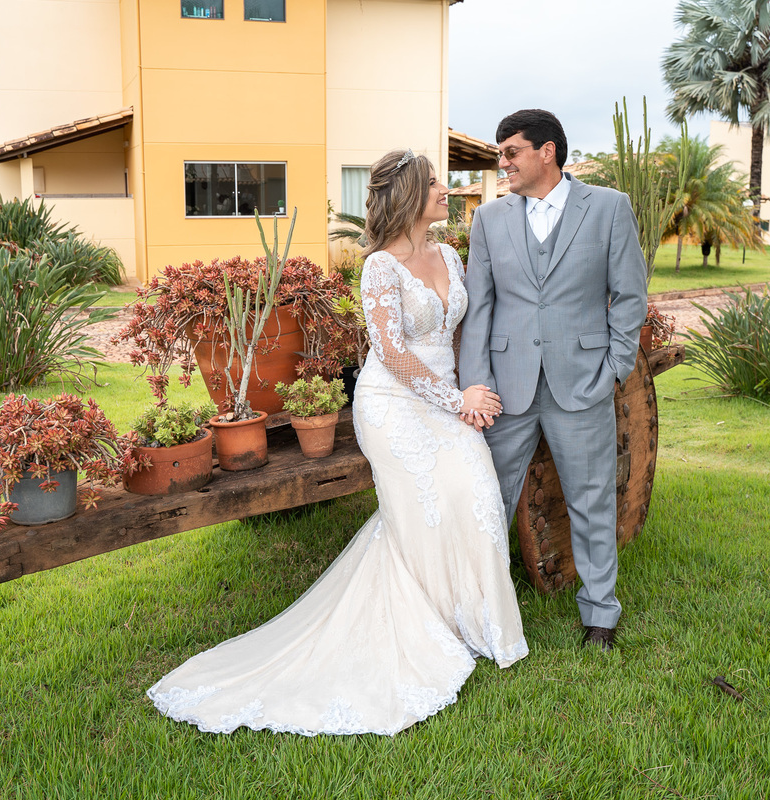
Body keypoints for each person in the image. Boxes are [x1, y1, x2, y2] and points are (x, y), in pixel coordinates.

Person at [146, 148, 528, 735]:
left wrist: (470, 386)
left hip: (446, 398)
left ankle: (474, 621)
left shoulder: (450, 253)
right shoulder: (378, 267)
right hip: (394, 404)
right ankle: (426, 625)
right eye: (434, 185)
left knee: (474, 487)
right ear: (406, 196)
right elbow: (394, 356)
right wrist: (460, 402)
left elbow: (461, 332)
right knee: (427, 503)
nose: (446, 191)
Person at [458, 109, 647, 651]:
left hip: (581, 381)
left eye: (511, 152)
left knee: (591, 502)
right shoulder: (490, 220)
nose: (503, 163)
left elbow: (629, 295)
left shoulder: (608, 208)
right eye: (500, 153)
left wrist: (614, 366)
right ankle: (482, 610)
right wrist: (476, 381)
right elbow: (480, 308)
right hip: (505, 388)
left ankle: (600, 617)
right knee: (487, 498)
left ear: (547, 152)